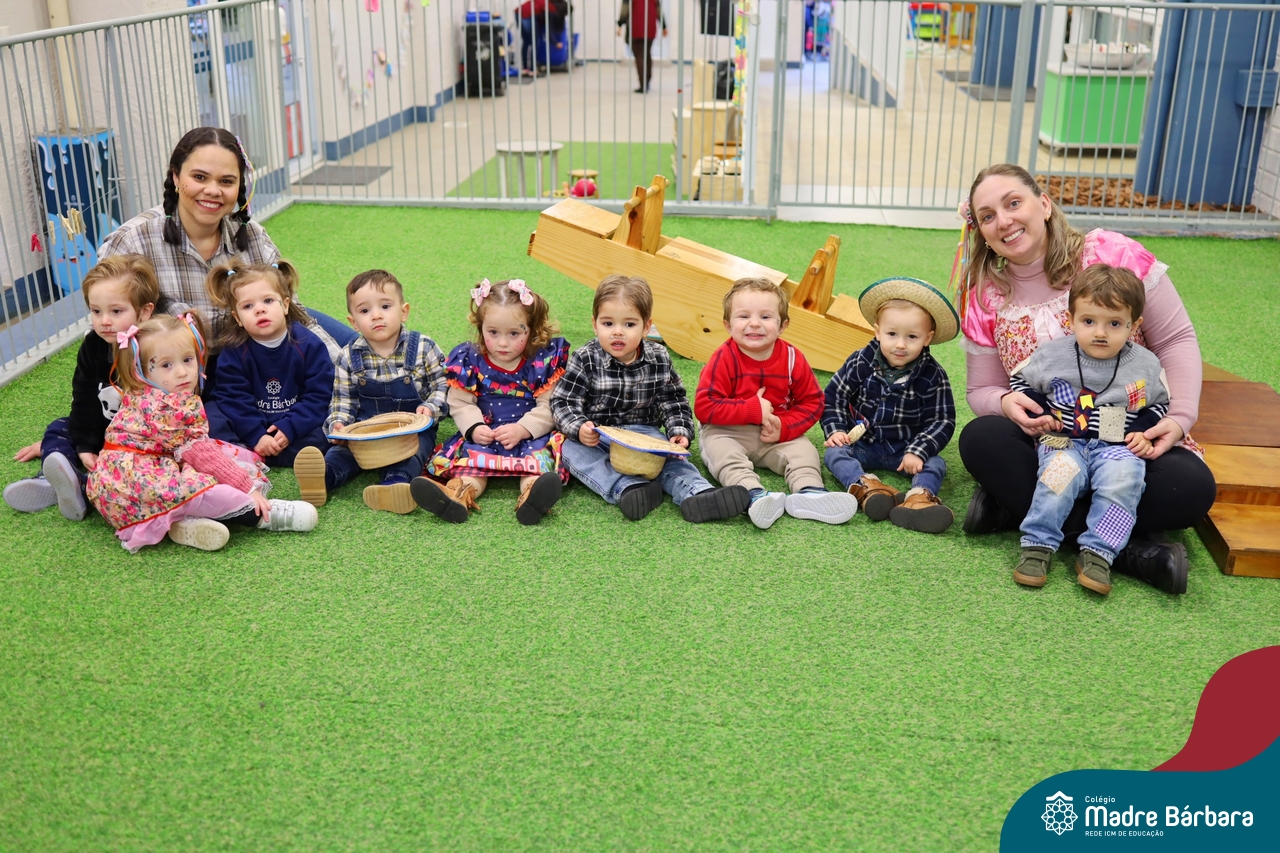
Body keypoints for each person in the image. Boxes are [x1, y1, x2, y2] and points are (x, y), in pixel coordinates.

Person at [955, 163, 1214, 594]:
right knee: (981, 439)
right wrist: (1004, 403)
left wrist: (1179, 417)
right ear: (980, 230)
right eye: (987, 216)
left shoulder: (1111, 254)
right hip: (1053, 443)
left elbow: (1176, 339)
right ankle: (1124, 551)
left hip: (1126, 442)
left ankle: (1022, 515)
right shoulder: (985, 295)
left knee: (1191, 488)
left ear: (1044, 204)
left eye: (1013, 203)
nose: (1004, 221)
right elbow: (981, 390)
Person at [97, 126, 354, 362]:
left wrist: (344, 375)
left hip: (254, 351)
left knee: (355, 349)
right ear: (175, 176)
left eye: (226, 181)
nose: (213, 190)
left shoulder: (251, 235)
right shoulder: (132, 242)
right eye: (200, 177)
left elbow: (296, 316)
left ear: (239, 185)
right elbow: (108, 333)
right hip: (183, 370)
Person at [84, 313, 317, 552]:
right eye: (166, 365)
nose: (182, 372)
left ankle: (182, 522)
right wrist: (248, 488)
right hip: (137, 484)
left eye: (188, 359)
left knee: (226, 458)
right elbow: (201, 454)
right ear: (140, 371)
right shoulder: (167, 407)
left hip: (119, 481)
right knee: (212, 490)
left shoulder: (149, 392)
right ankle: (263, 514)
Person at [1009, 265, 1170, 594]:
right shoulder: (1052, 355)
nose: (1100, 332)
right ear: (1070, 320)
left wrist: (1143, 431)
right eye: (1088, 321)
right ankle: (1037, 545)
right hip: (1062, 439)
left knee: (1124, 482)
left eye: (1114, 324)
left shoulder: (1146, 364)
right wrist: (1041, 413)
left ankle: (1099, 553)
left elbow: (1159, 404)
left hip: (1116, 445)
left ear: (1134, 325)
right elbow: (1019, 384)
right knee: (1058, 476)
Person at [550, 274, 750, 522]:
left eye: (629, 324)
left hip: (644, 435)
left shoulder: (659, 357)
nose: (617, 332)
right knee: (571, 451)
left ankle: (697, 493)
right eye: (608, 323)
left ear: (646, 327)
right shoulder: (585, 358)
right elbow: (563, 401)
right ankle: (629, 488)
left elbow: (673, 400)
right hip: (598, 435)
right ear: (595, 324)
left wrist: (679, 431)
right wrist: (579, 427)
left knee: (672, 459)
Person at [694, 277, 858, 530]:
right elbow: (705, 407)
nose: (754, 323)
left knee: (804, 452)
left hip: (776, 432)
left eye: (766, 317)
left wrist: (785, 426)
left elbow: (813, 402)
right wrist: (751, 410)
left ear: (782, 325)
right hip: (728, 431)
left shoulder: (793, 358)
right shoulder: (723, 359)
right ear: (728, 325)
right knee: (722, 452)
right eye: (743, 316)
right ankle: (752, 494)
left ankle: (809, 492)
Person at [4, 255, 158, 520]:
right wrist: (85, 445)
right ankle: (53, 477)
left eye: (116, 311)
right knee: (59, 428)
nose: (104, 321)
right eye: (96, 311)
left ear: (144, 311)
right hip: (102, 430)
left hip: (140, 440)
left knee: (143, 468)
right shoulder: (93, 345)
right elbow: (84, 398)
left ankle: (83, 484)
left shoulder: (156, 346)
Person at [412, 279, 569, 525]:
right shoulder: (469, 358)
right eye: (493, 332)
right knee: (470, 465)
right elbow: (461, 403)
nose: (502, 343)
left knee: (537, 463)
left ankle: (533, 496)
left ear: (531, 329)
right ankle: (456, 496)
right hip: (486, 432)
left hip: (529, 435)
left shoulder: (540, 360)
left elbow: (550, 405)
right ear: (481, 327)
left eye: (514, 333)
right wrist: (474, 427)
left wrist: (523, 429)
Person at [294, 270, 448, 514]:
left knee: (414, 453)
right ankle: (324, 476)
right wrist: (338, 424)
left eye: (385, 306)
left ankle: (394, 484)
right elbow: (342, 400)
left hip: (410, 430)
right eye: (365, 311)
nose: (376, 315)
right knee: (343, 452)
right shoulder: (348, 356)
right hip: (366, 428)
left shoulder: (423, 347)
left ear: (403, 311)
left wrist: (430, 408)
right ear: (354, 322)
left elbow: (442, 385)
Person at [822, 277, 958, 534]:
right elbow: (834, 396)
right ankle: (867, 487)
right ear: (877, 331)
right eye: (892, 334)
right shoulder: (861, 361)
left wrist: (918, 450)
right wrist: (836, 429)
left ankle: (919, 498)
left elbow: (942, 420)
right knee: (834, 453)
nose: (900, 345)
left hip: (905, 448)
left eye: (912, 336)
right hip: (864, 443)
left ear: (927, 338)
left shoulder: (933, 374)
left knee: (935, 463)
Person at [203, 259, 334, 467]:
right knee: (211, 415)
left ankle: (266, 455)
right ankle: (248, 451)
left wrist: (291, 427)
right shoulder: (233, 351)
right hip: (249, 422)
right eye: (248, 306)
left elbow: (318, 395)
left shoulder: (309, 344)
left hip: (293, 421)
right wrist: (256, 435)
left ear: (285, 305)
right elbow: (233, 399)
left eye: (268, 301)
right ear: (237, 318)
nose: (259, 310)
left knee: (326, 428)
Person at [617, 0, 666, 93]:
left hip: (635, 27)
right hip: (650, 28)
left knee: (639, 56)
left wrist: (620, 24)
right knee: (647, 54)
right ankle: (647, 81)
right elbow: (658, 9)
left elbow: (625, 9)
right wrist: (664, 26)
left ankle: (643, 84)